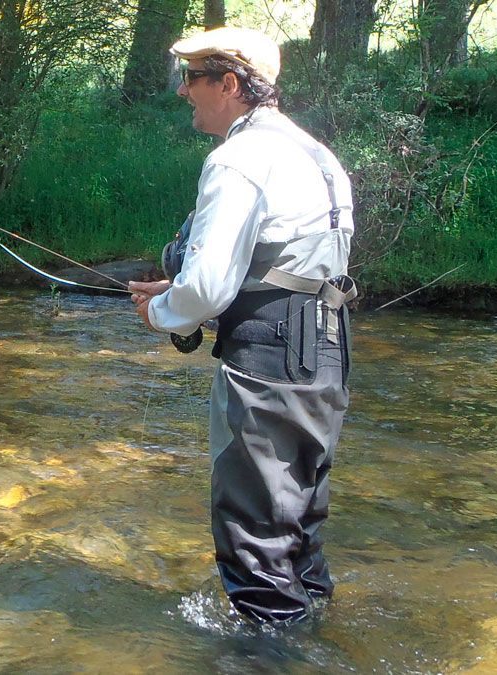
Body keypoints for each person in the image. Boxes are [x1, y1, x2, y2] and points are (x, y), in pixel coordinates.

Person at [128, 27, 357, 624]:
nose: (183, 92)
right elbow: (279, 267)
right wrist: (182, 293)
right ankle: (311, 649)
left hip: (268, 360)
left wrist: (161, 311)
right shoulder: (316, 154)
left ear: (228, 84)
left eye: (192, 79)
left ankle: (267, 661)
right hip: (325, 353)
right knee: (298, 532)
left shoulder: (238, 158)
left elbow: (206, 287)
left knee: (254, 540)